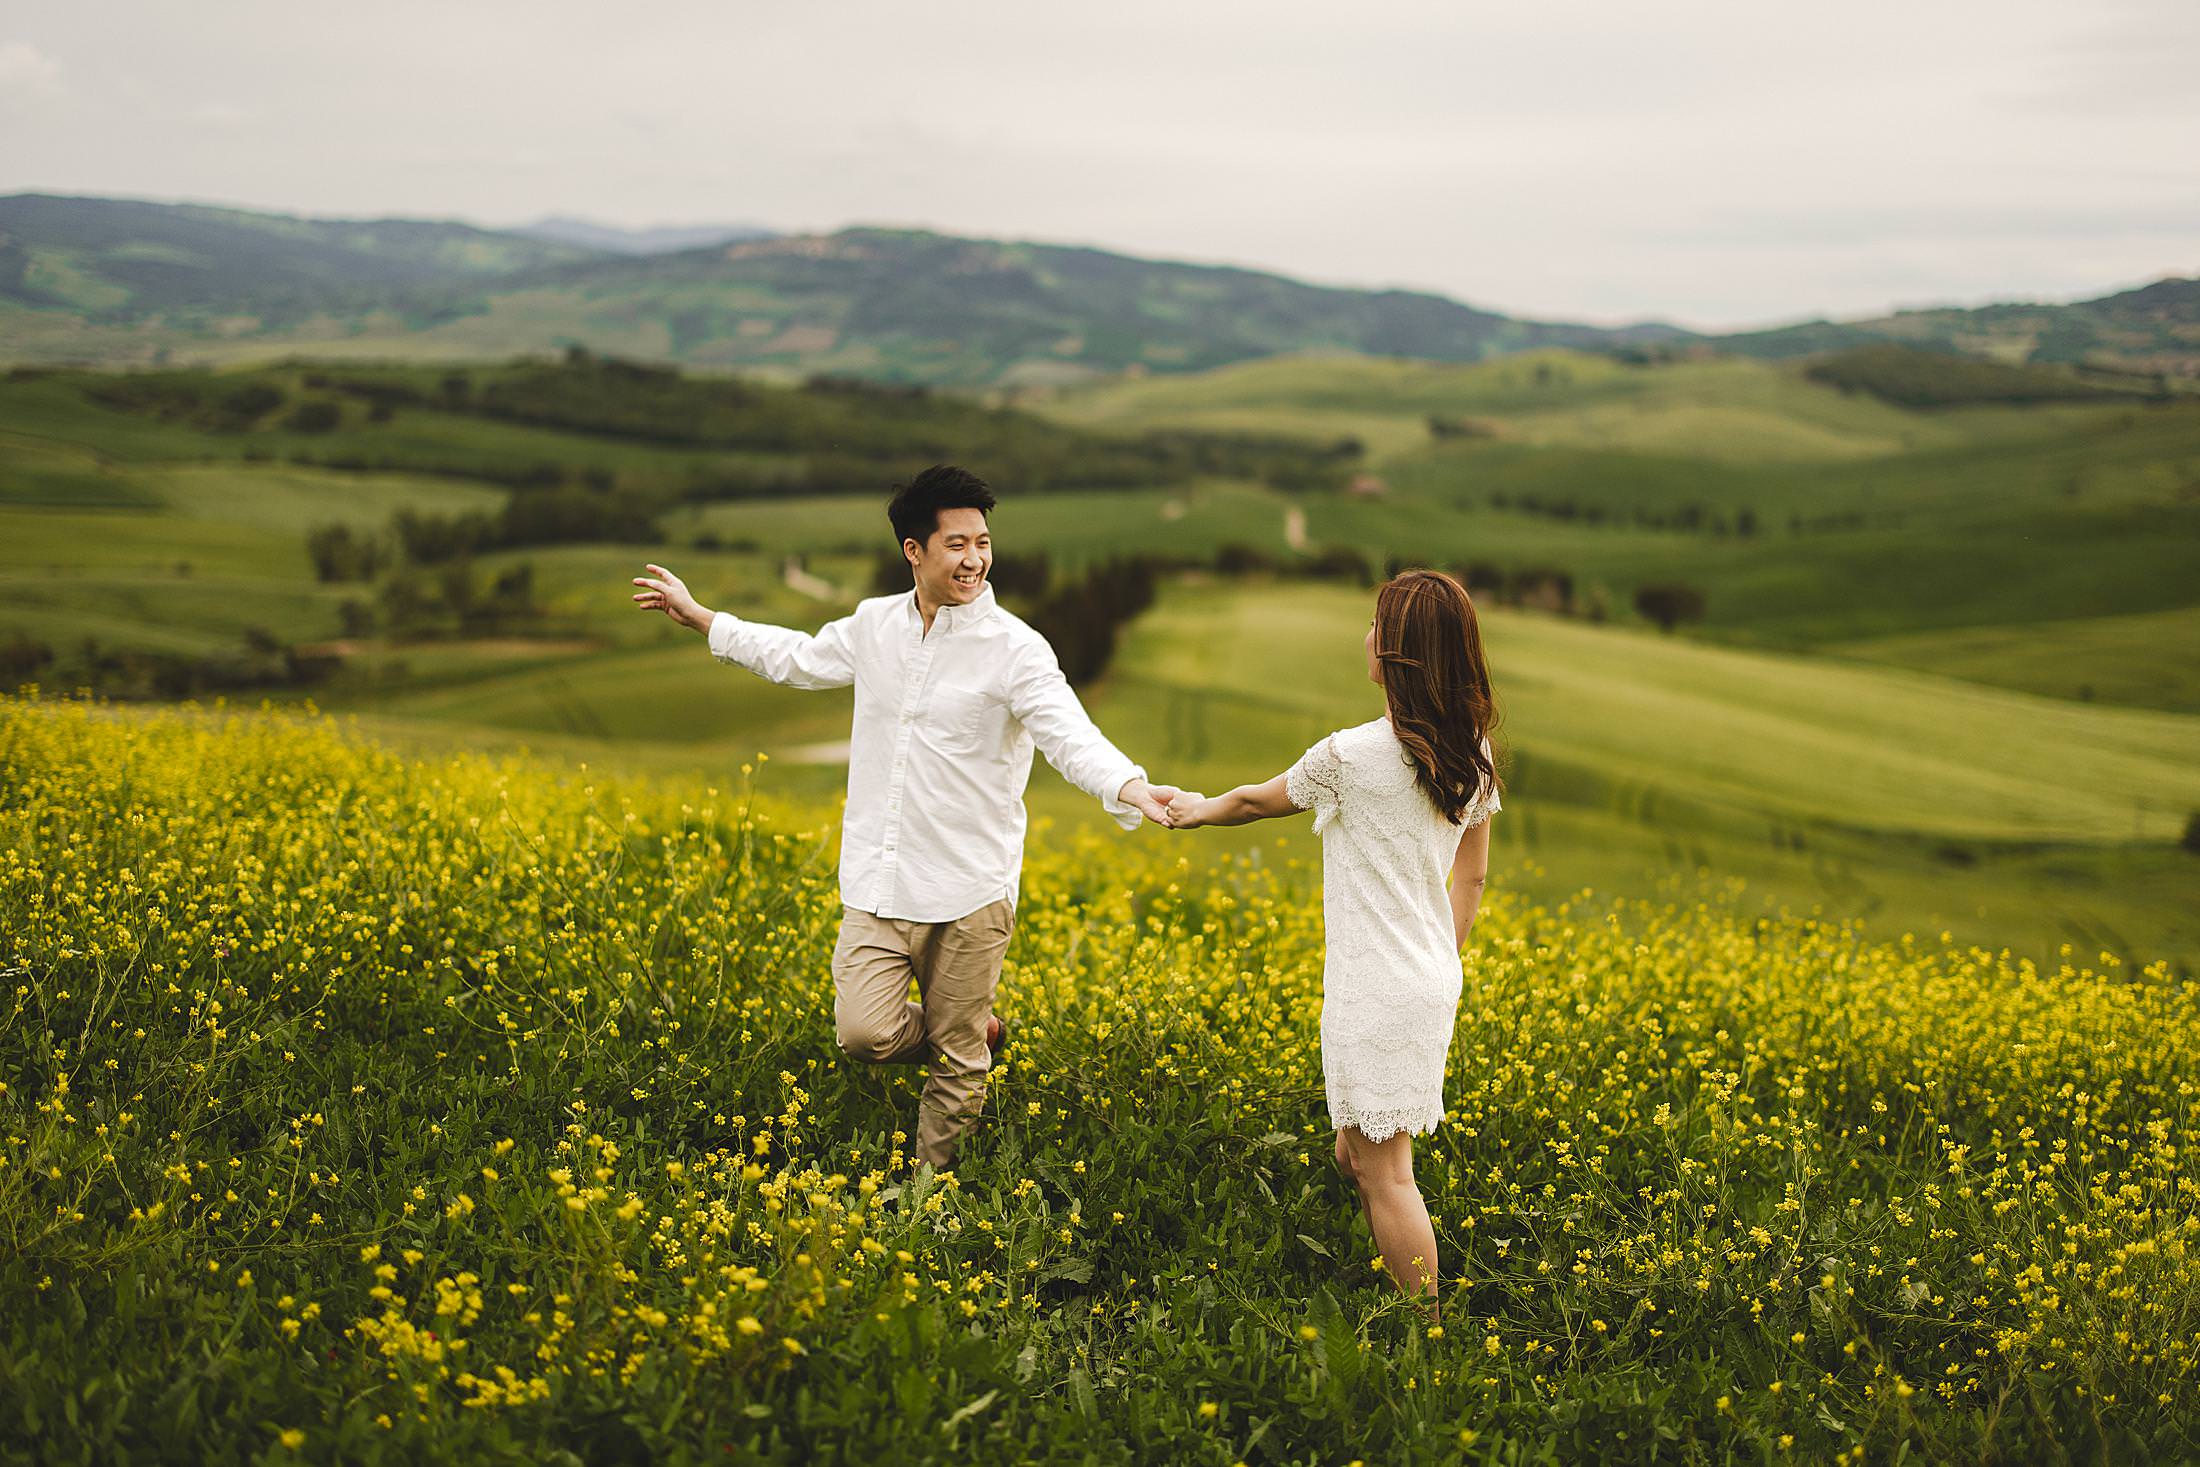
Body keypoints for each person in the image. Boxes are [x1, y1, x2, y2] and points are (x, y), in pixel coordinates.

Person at [629, 465, 1178, 1172]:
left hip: (970, 887)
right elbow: (796, 658)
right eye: (955, 543)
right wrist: (705, 618)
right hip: (879, 876)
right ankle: (974, 1033)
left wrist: (1131, 787)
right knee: (863, 1032)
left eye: (982, 541)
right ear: (913, 551)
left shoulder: (1017, 649)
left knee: (955, 1064)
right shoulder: (872, 625)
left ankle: (927, 1197)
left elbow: (1068, 734)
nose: (974, 558)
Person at [1162, 569, 1501, 1307]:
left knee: (1388, 1173)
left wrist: (1194, 809)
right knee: (1355, 1150)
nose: (1367, 637)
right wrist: (1440, 959)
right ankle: (1377, 1267)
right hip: (1430, 975)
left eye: (1378, 627)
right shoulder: (1471, 753)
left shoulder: (1348, 757)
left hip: (1377, 986)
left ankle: (1426, 1331)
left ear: (1396, 654)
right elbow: (1470, 882)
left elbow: (1254, 801)